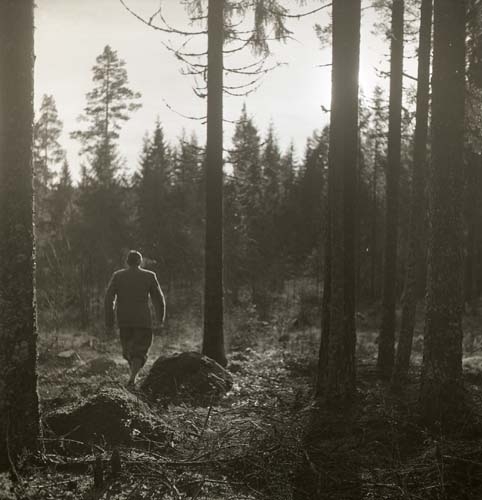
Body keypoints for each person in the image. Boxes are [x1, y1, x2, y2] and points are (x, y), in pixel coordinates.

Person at [105, 250, 166, 387]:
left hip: (124, 320)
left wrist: (109, 320)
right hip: (142, 320)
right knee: (140, 350)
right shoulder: (149, 276)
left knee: (128, 350)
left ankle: (132, 377)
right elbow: (159, 299)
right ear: (140, 261)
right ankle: (133, 377)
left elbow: (109, 299)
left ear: (127, 261)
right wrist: (160, 318)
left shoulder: (118, 276)